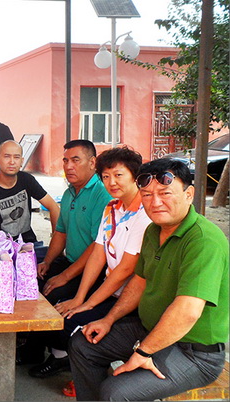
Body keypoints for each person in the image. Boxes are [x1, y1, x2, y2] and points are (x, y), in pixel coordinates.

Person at [69, 158, 228, 401]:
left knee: (116, 392)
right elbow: (139, 283)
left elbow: (187, 311)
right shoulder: (154, 230)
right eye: (147, 195)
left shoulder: (204, 240)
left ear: (189, 194)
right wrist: (108, 319)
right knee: (83, 344)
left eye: (165, 193)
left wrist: (143, 352)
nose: (155, 202)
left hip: (193, 352)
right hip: (149, 330)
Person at [29, 146, 151, 394]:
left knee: (74, 325)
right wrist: (80, 298)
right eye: (106, 176)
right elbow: (98, 252)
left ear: (135, 176)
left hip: (134, 300)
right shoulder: (112, 208)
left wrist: (87, 303)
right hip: (112, 291)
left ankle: (88, 374)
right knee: (59, 312)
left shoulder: (144, 214)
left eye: (118, 175)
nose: (111, 182)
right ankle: (75, 365)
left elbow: (125, 270)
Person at [18, 139, 111, 371]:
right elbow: (61, 232)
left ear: (92, 163)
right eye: (66, 160)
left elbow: (96, 247)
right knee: (31, 282)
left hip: (93, 271)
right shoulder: (69, 192)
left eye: (75, 160)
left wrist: (65, 276)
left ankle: (60, 356)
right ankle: (33, 350)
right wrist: (48, 262)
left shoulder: (102, 194)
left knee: (52, 295)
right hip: (70, 261)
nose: (68, 166)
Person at [0, 139, 60, 245]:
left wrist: (55, 242)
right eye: (7, 156)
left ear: (22, 161)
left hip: (28, 243)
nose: (12, 162)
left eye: (16, 157)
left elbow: (54, 207)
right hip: (0, 247)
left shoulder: (27, 180)